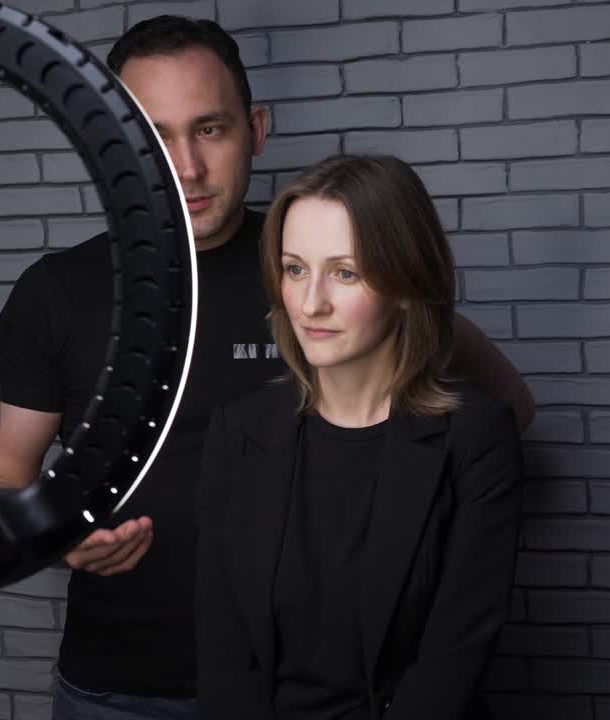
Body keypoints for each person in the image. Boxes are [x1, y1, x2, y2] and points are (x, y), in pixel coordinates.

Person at [0, 15, 535, 720]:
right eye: (155, 134)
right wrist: (55, 535)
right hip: (121, 685)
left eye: (210, 129)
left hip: (311, 691)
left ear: (256, 129)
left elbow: (494, 413)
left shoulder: (319, 254)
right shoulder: (58, 291)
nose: (188, 167)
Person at [196, 153, 521, 720]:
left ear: (405, 284)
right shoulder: (239, 431)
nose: (312, 302)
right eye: (295, 269)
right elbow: (225, 656)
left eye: (345, 272)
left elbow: (452, 660)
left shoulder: (475, 439)